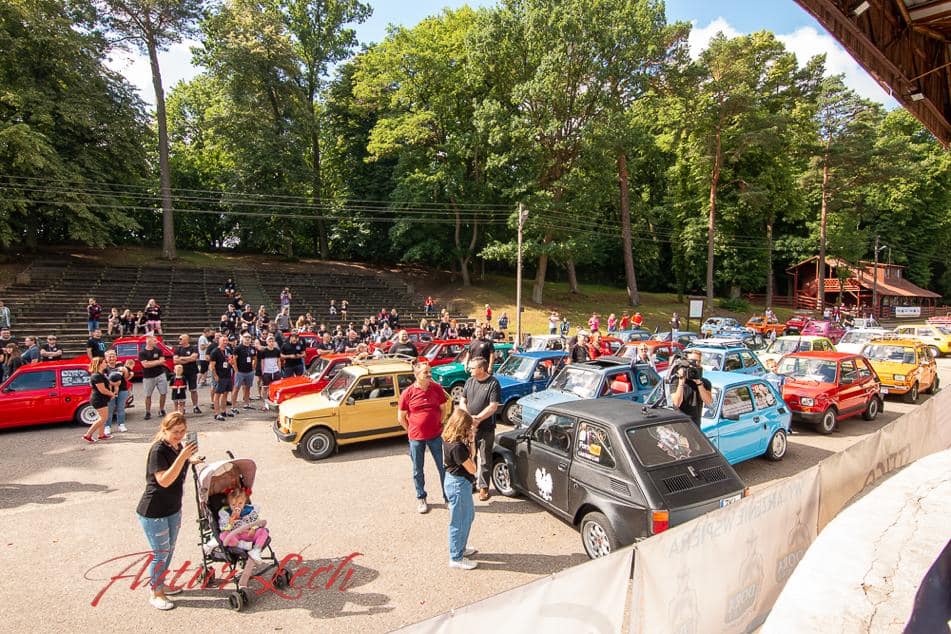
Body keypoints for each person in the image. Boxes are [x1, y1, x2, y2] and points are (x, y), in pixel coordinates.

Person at [136, 412, 201, 610]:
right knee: (160, 553)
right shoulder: (158, 450)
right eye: (175, 432)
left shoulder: (177, 446)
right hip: (154, 511)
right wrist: (183, 457)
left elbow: (177, 465)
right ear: (164, 430)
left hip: (173, 507)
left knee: (169, 549)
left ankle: (161, 584)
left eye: (183, 431)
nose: (179, 436)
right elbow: (163, 480)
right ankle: (156, 593)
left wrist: (190, 460)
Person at [398, 363, 449, 514]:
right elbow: (401, 417)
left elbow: (443, 409)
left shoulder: (437, 388)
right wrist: (411, 430)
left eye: (430, 371)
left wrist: (439, 422)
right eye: (425, 372)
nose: (429, 374)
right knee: (417, 469)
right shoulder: (407, 393)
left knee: (443, 467)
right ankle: (421, 497)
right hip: (416, 438)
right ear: (417, 375)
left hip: (435, 435)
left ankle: (447, 497)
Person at [442, 409, 479, 570]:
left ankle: (461, 548)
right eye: (468, 427)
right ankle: (456, 557)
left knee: (468, 516)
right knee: (459, 520)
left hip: (456, 482)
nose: (470, 429)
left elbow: (472, 455)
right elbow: (473, 468)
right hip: (458, 485)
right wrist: (470, 444)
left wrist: (471, 441)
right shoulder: (457, 447)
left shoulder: (450, 438)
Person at [460, 358, 500, 501]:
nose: (469, 370)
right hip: (469, 428)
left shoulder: (493, 383)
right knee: (470, 456)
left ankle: (483, 487)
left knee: (484, 458)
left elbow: (493, 406)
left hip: (486, 428)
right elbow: (462, 401)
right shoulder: (469, 381)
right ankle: (471, 482)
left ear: (481, 369)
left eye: (472, 368)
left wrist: (478, 419)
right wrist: (468, 417)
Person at [218, 487, 269, 588]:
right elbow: (224, 528)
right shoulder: (225, 513)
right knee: (223, 535)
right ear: (229, 504)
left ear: (245, 502)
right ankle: (243, 545)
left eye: (240, 503)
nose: (237, 506)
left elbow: (256, 521)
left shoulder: (249, 510)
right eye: (233, 505)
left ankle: (256, 550)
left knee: (263, 531)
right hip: (235, 537)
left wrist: (254, 528)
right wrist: (230, 522)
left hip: (248, 534)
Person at [669, 349, 713, 427]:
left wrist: (699, 383)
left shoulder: (704, 382)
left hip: (695, 425)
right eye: (693, 361)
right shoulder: (676, 381)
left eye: (698, 361)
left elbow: (709, 402)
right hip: (680, 425)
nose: (696, 364)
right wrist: (681, 381)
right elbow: (676, 404)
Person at [82, 357, 115, 443]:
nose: (106, 363)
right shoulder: (96, 376)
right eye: (104, 362)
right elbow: (102, 390)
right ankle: (88, 435)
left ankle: (101, 435)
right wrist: (111, 394)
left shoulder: (101, 374)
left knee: (102, 418)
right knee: (103, 418)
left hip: (102, 399)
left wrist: (110, 393)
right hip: (98, 399)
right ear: (99, 364)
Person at [209, 336, 238, 421]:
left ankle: (223, 411)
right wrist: (215, 376)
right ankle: (216, 413)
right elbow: (212, 366)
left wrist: (232, 364)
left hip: (228, 374)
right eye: (223, 340)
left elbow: (231, 361)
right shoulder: (215, 351)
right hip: (220, 375)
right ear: (219, 341)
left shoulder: (228, 350)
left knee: (225, 393)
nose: (225, 342)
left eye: (226, 340)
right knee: (217, 394)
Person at [140, 335, 168, 420]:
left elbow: (162, 361)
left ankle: (161, 409)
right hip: (148, 376)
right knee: (148, 395)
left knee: (163, 393)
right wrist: (157, 362)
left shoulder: (158, 350)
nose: (156, 342)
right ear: (149, 341)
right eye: (154, 341)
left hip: (160, 374)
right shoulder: (142, 352)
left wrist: (151, 363)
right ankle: (148, 411)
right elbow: (145, 365)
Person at [105, 351, 133, 433]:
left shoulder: (120, 365)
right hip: (110, 391)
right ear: (106, 358)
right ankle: (107, 426)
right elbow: (104, 381)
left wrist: (125, 371)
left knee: (121, 408)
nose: (112, 358)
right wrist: (114, 384)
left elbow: (126, 377)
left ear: (116, 357)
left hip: (122, 390)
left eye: (113, 356)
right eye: (109, 356)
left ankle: (121, 424)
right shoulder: (105, 368)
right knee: (110, 409)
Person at [173, 334, 201, 414]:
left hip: (192, 372)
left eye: (181, 339)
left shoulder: (193, 348)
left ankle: (195, 406)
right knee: (182, 390)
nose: (179, 340)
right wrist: (188, 359)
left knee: (193, 390)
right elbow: (175, 361)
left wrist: (182, 358)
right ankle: (183, 408)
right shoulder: (177, 349)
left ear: (186, 339)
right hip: (181, 373)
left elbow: (194, 358)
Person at [233, 333, 257, 410]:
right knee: (236, 389)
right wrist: (236, 370)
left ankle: (246, 404)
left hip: (249, 371)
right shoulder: (238, 348)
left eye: (249, 337)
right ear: (242, 338)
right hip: (240, 371)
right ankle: (234, 406)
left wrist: (254, 367)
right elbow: (234, 359)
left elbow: (255, 358)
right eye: (246, 337)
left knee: (247, 388)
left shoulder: (252, 348)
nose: (247, 338)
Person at [258, 335, 282, 411]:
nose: (271, 343)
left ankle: (275, 403)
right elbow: (262, 362)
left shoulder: (277, 350)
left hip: (275, 371)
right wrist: (263, 372)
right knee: (265, 388)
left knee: (276, 388)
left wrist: (279, 370)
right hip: (267, 372)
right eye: (269, 341)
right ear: (267, 342)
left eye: (272, 341)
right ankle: (265, 405)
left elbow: (279, 361)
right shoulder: (263, 351)